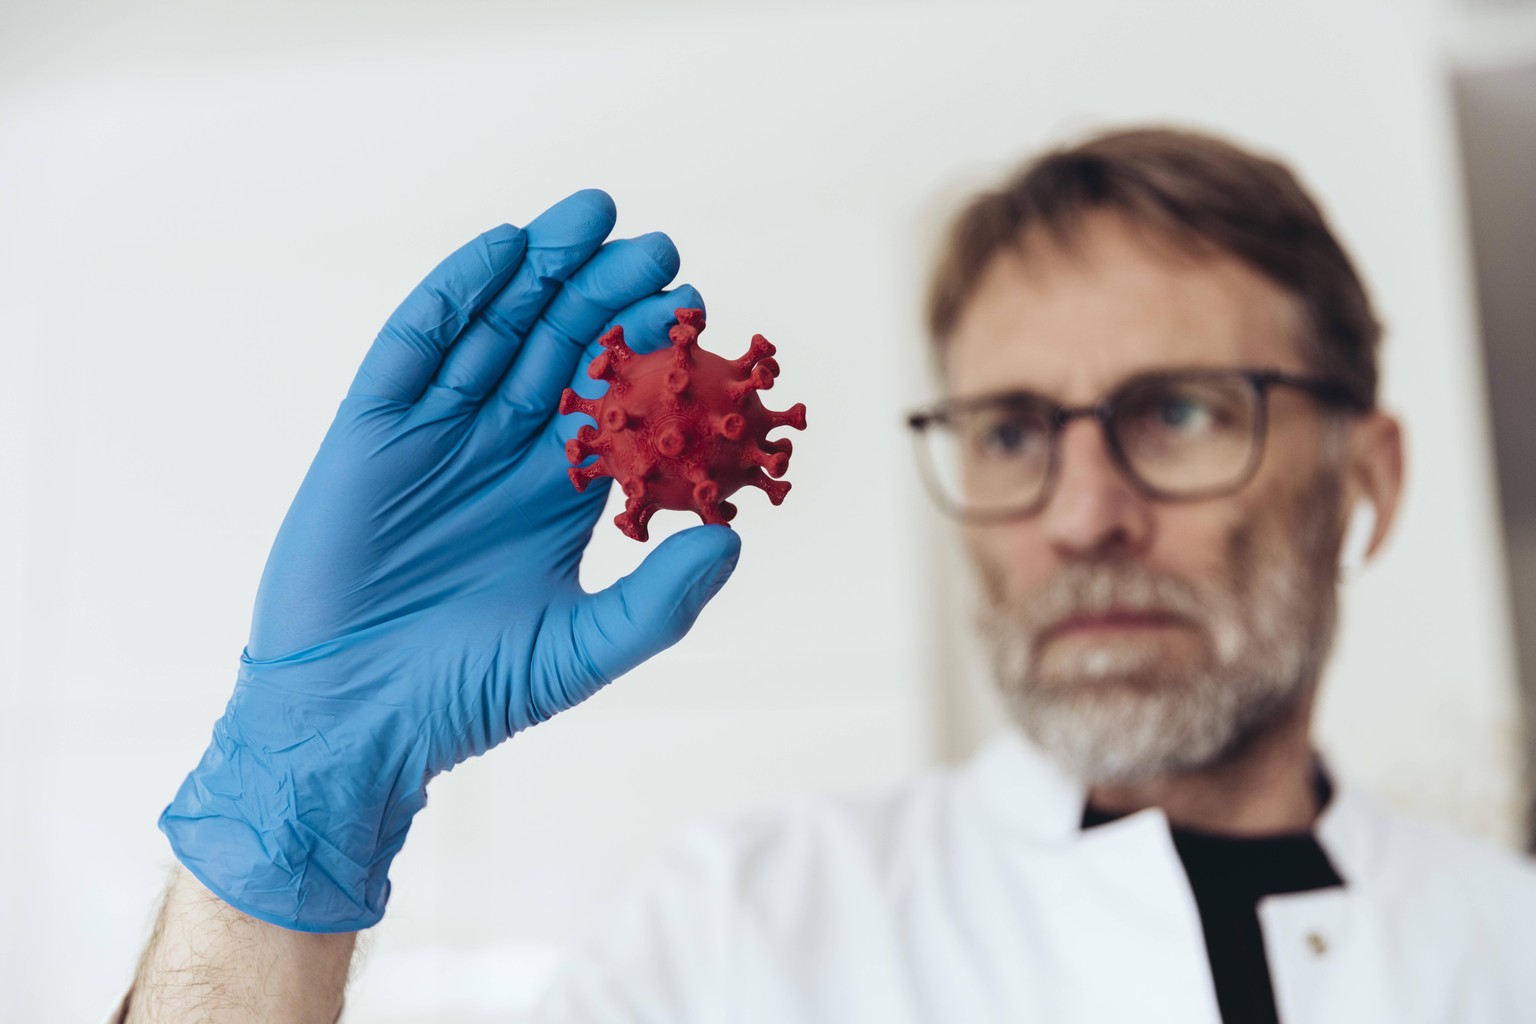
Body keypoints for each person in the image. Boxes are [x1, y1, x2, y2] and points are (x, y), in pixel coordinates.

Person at [119, 127, 1536, 1023]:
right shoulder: (747, 933)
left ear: (1369, 476)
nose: (1085, 511)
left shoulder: (1511, 949)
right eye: (1013, 430)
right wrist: (294, 807)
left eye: (1179, 414)